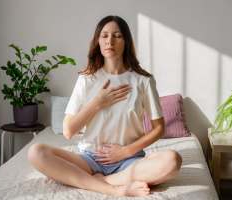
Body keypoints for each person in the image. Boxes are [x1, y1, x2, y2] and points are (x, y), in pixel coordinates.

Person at [27, 15, 182, 197]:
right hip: (89, 159)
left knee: (172, 160)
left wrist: (124, 152)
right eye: (104, 36)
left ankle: (99, 181)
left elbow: (159, 129)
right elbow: (68, 131)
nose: (110, 41)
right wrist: (98, 102)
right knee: (36, 152)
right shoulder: (87, 79)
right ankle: (113, 188)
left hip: (129, 160)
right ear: (98, 42)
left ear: (126, 42)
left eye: (117, 36)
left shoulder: (143, 81)